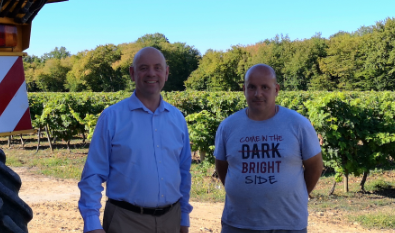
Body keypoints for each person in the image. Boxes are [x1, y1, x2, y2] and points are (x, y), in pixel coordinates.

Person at [78, 47, 193, 233]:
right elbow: (93, 174)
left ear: (167, 72)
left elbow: (183, 172)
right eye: (143, 68)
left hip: (171, 220)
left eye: (157, 67)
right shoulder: (111, 117)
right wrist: (92, 223)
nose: (151, 73)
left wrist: (184, 217)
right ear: (132, 73)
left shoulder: (177, 118)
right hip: (125, 222)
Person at [214, 64, 324, 233]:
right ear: (244, 89)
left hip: (287, 225)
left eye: (265, 87)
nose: (258, 93)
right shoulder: (228, 126)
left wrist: (293, 194)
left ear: (276, 89)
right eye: (252, 87)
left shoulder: (298, 124)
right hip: (237, 224)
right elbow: (223, 168)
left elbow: (315, 166)